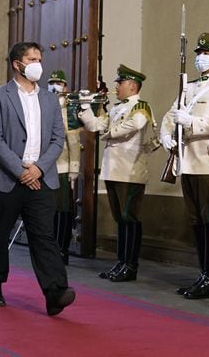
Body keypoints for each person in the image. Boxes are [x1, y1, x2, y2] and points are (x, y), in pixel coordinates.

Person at [0, 41, 75, 316]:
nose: (37, 64)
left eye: (39, 58)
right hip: (5, 179)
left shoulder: (49, 99)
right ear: (17, 64)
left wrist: (38, 169)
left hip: (41, 179)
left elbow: (58, 139)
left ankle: (56, 292)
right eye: (32, 59)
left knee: (44, 236)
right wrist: (21, 171)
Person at [160, 33, 209, 299]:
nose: (200, 58)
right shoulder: (189, 87)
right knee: (196, 221)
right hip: (188, 162)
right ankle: (203, 273)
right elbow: (170, 116)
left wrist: (191, 122)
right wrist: (167, 136)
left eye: (205, 54)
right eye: (197, 54)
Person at [79, 64, 156, 282]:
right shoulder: (116, 109)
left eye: (120, 83)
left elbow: (133, 126)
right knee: (120, 220)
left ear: (132, 86)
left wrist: (108, 133)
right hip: (114, 170)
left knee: (129, 218)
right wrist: (86, 106)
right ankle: (121, 262)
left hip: (130, 170)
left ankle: (130, 265)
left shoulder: (141, 106)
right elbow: (94, 125)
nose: (116, 86)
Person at [47, 70, 82, 264]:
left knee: (63, 209)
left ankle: (62, 249)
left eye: (58, 83)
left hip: (61, 166)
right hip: (44, 167)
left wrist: (74, 168)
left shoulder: (68, 109)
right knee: (49, 210)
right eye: (51, 82)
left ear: (65, 87)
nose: (54, 86)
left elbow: (74, 140)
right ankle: (50, 247)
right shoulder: (42, 104)